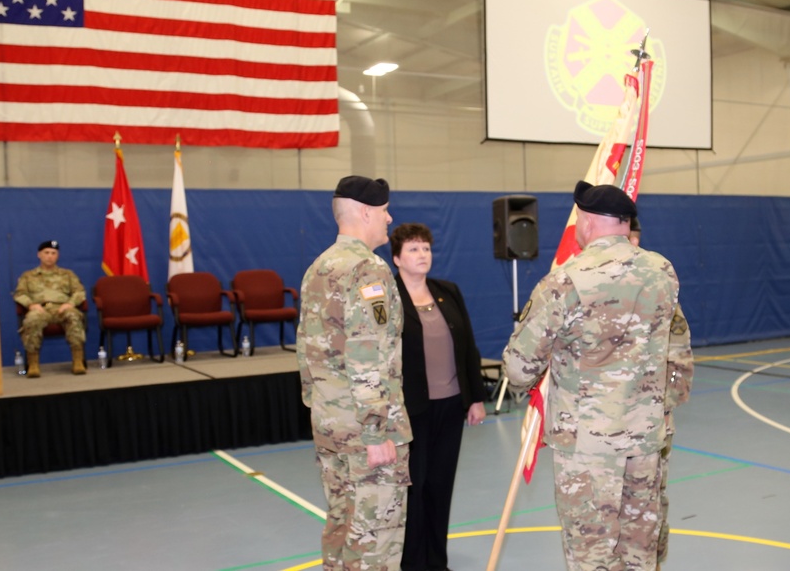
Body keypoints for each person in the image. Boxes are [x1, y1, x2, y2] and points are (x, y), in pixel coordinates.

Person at [502, 181, 693, 571]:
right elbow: (679, 348)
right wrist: (663, 408)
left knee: (592, 555)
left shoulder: (566, 281)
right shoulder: (662, 272)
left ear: (586, 222)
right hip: (645, 440)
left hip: (587, 448)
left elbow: (519, 369)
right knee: (640, 552)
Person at [296, 175, 412, 571]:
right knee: (374, 540)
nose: (389, 218)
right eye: (383, 211)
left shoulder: (319, 267)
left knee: (342, 528)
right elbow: (368, 355)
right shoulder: (367, 270)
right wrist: (376, 430)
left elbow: (306, 351)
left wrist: (319, 407)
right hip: (367, 432)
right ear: (365, 212)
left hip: (331, 423)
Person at [390, 223, 487, 571]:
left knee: (441, 485)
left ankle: (437, 561)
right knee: (414, 487)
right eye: (414, 249)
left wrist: (475, 398)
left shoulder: (448, 291)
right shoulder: (389, 298)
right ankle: (413, 562)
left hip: (451, 404)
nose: (422, 255)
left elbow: (468, 347)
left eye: (426, 248)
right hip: (411, 409)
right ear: (397, 258)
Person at [627, 216, 694, 570]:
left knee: (651, 503)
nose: (632, 247)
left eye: (636, 240)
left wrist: (666, 406)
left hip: (652, 420)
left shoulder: (659, 286)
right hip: (606, 424)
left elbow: (679, 350)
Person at [13, 240, 87, 378]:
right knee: (32, 319)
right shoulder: (28, 276)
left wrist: (70, 304)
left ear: (57, 256)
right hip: (40, 309)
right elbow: (19, 294)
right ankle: (33, 364)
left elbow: (80, 292)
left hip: (62, 308)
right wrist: (31, 305)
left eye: (53, 253)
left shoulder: (68, 274)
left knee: (73, 316)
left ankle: (78, 361)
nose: (50, 256)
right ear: (39, 255)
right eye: (46, 253)